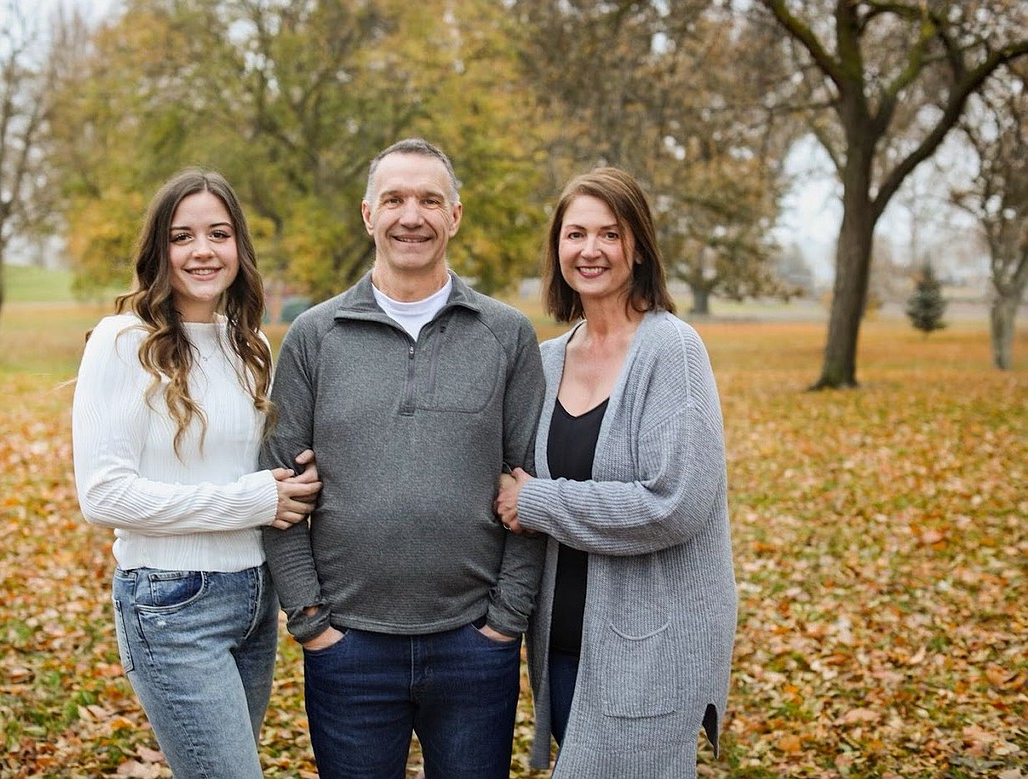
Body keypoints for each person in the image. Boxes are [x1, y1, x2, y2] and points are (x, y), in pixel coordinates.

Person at [261, 138, 547, 779]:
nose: (410, 216)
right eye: (394, 199)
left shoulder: (505, 334)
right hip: (349, 649)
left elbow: (533, 485)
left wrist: (506, 622)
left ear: (455, 215)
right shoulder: (314, 336)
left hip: (474, 645)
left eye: (428, 200)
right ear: (368, 214)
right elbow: (275, 488)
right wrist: (310, 621)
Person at [71, 168, 321, 779]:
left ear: (240, 247)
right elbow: (103, 496)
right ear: (160, 250)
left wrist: (297, 474)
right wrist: (253, 500)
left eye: (219, 233)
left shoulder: (249, 344)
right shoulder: (123, 341)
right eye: (183, 237)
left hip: (254, 599)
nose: (203, 251)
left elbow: (247, 468)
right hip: (171, 601)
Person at [496, 167, 738, 777]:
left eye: (610, 234)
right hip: (561, 644)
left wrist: (540, 505)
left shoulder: (672, 350)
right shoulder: (546, 360)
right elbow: (505, 479)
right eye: (575, 234)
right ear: (557, 248)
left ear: (638, 247)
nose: (591, 250)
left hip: (650, 650)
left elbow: (675, 503)